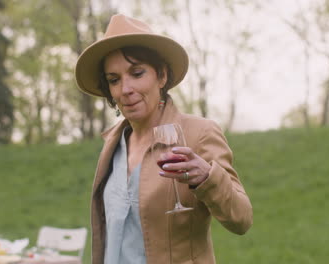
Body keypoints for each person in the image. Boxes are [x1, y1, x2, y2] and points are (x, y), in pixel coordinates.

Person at [75, 14, 253, 264]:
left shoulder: (199, 133)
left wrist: (207, 178)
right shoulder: (113, 144)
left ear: (161, 76)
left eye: (137, 73)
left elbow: (241, 219)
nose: (126, 89)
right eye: (114, 80)